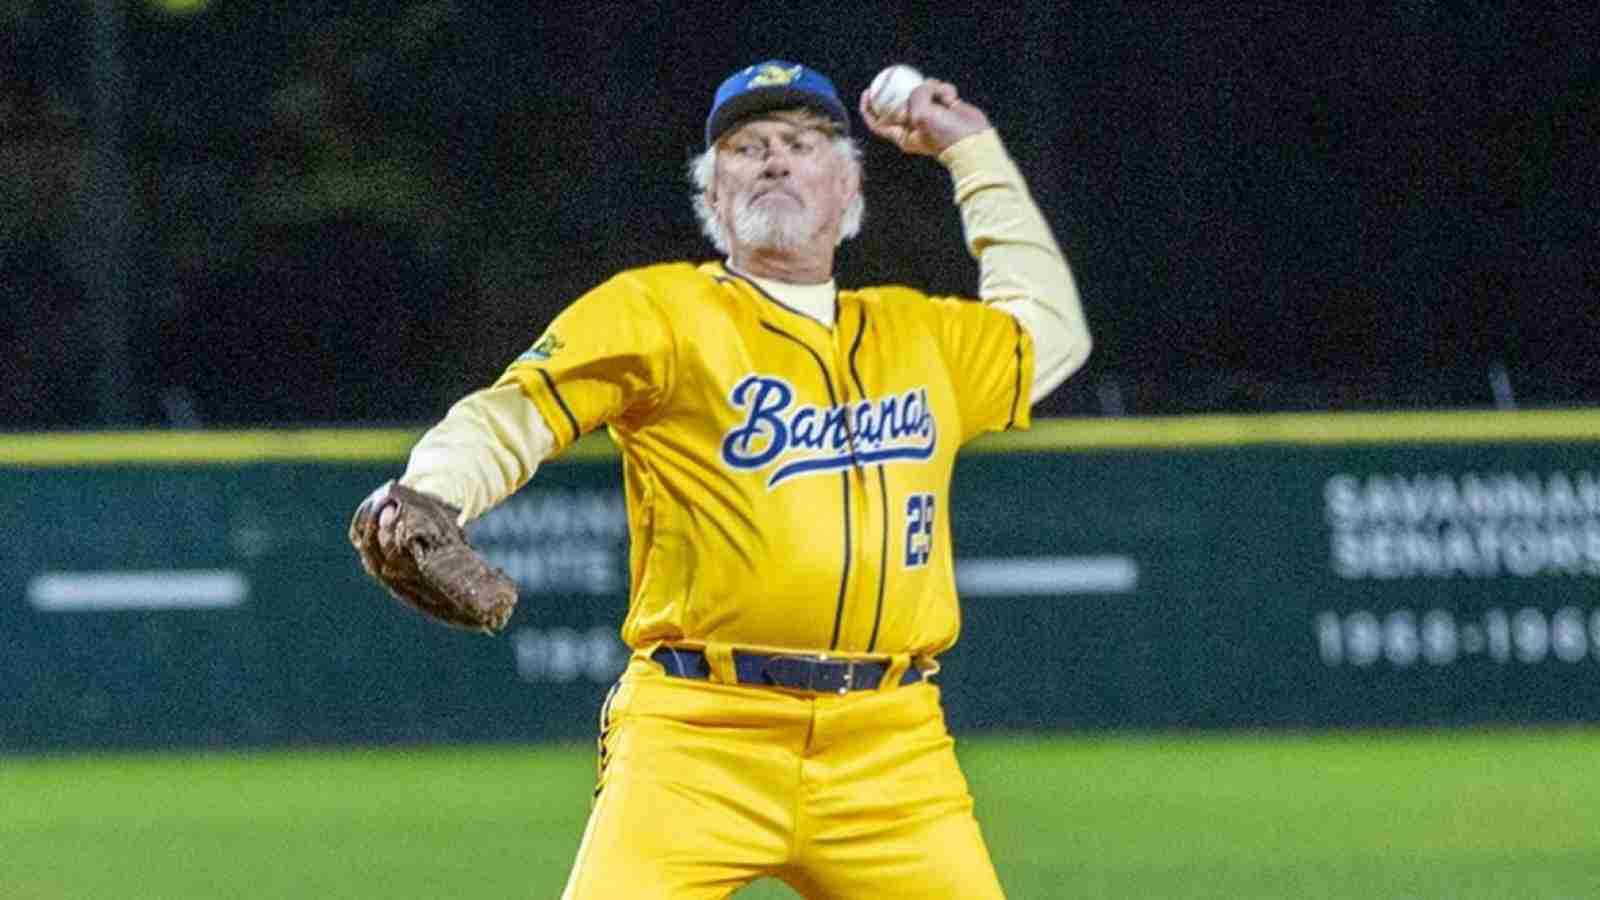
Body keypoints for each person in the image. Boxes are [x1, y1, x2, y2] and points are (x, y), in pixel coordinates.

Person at [363, 59, 1089, 899]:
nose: (774, 160)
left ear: (848, 192)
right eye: (745, 148)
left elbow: (1052, 332)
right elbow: (512, 414)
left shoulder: (922, 336)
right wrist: (428, 493)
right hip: (698, 736)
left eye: (801, 143)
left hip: (891, 748)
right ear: (713, 200)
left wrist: (973, 153)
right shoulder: (660, 311)